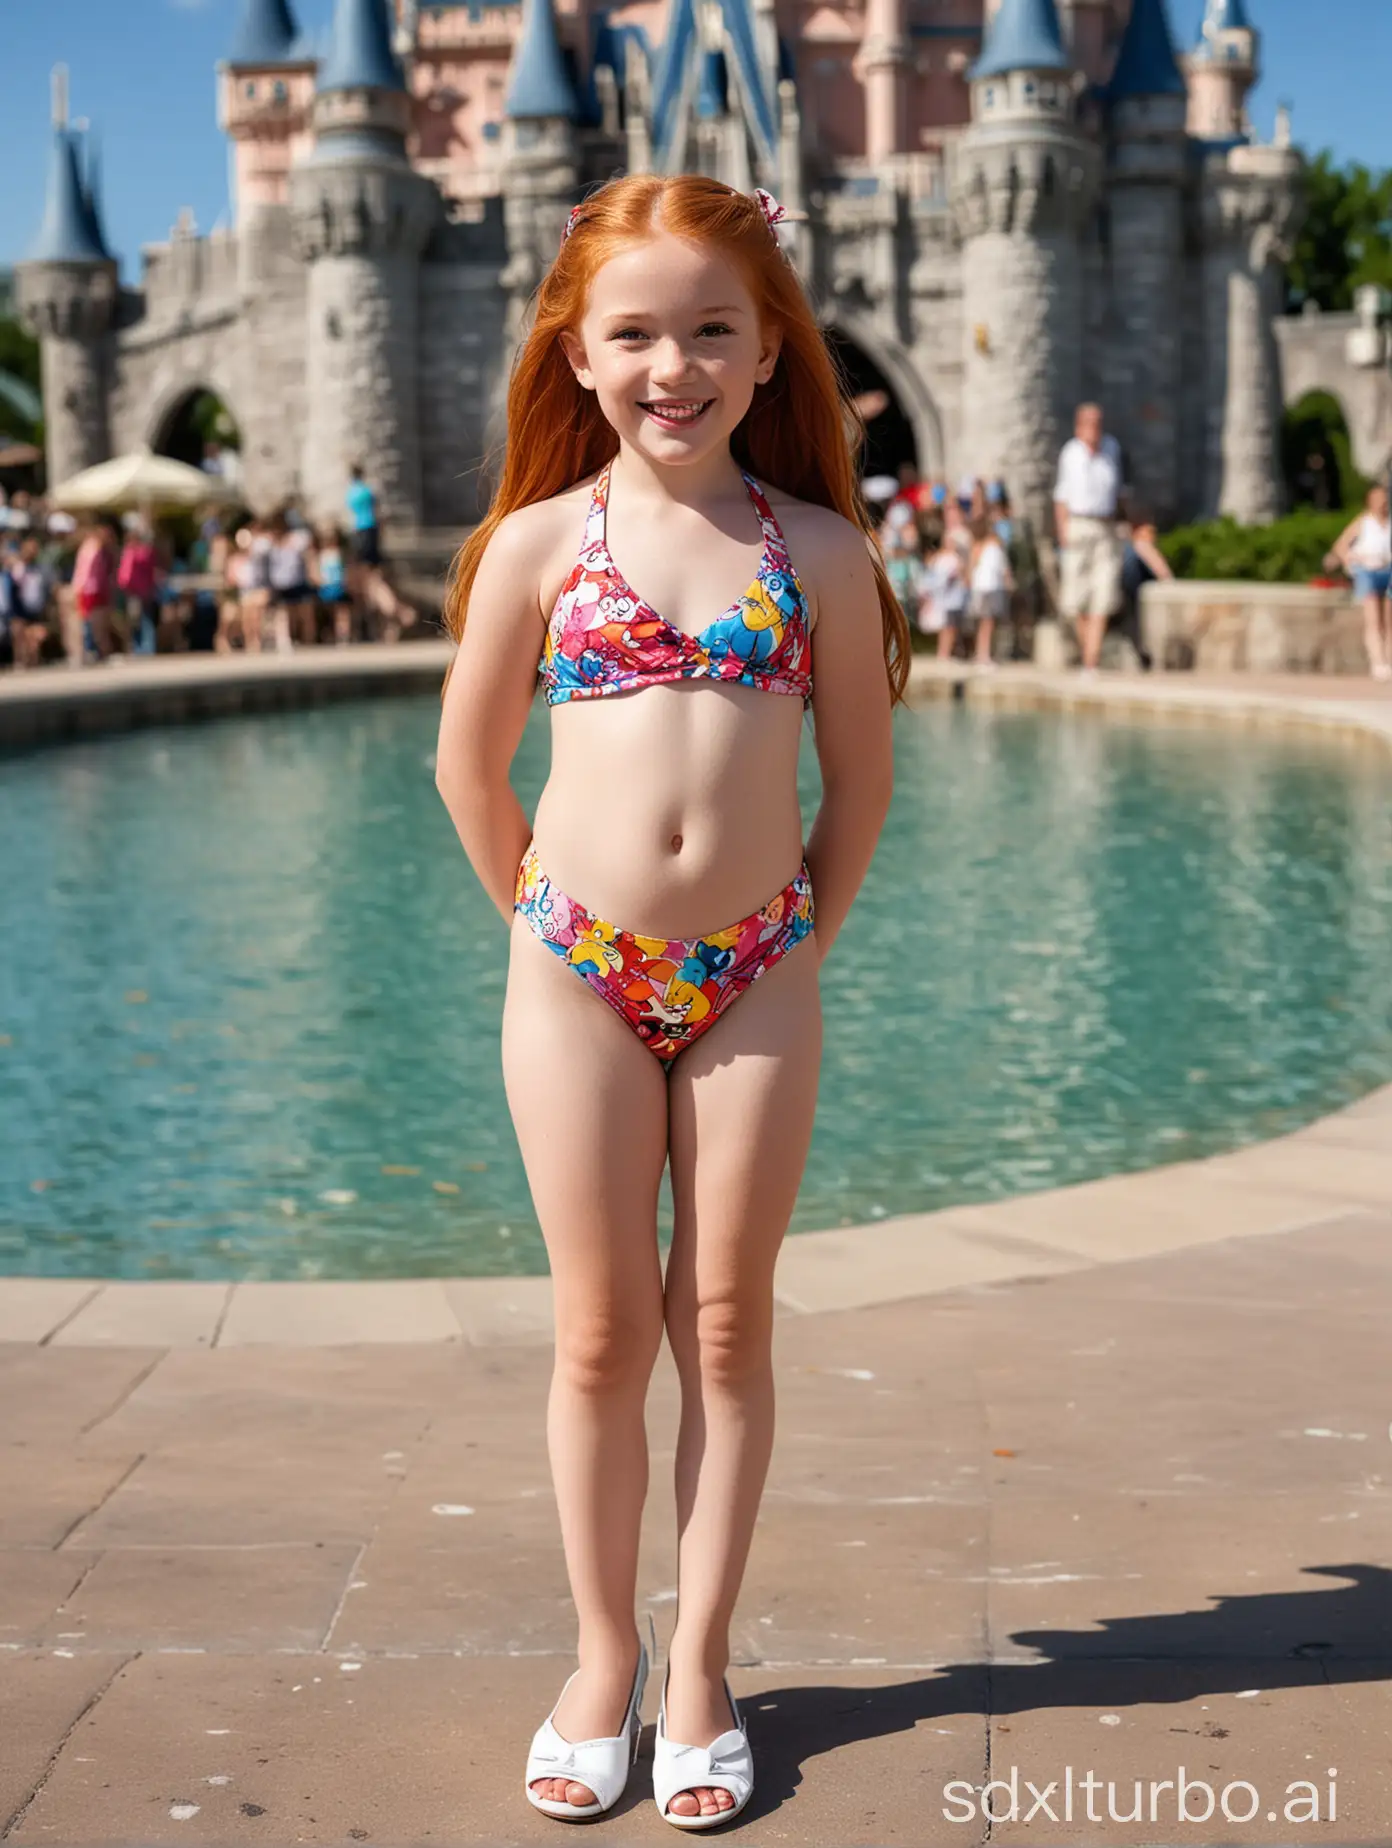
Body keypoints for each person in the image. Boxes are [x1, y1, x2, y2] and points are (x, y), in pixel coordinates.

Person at [433, 174, 902, 1830]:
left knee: (721, 1321)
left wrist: (791, 944)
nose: (674, 364)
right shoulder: (536, 550)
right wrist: (548, 927)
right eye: (634, 331)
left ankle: (698, 1659)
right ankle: (598, 1652)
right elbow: (465, 764)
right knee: (596, 1327)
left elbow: (859, 782)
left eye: (715, 328)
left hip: (757, 964)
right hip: (573, 966)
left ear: (773, 352)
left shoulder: (825, 556)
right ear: (574, 351)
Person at [1053, 402, 1127, 674]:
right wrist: (1063, 531)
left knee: (1103, 595)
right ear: (1079, 425)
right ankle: (1089, 654)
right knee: (1074, 599)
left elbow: (1119, 492)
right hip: (1078, 525)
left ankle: (1091, 660)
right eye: (1089, 422)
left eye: (1098, 422)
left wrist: (1125, 523)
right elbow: (1060, 496)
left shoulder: (1112, 449)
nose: (1095, 428)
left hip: (1105, 528)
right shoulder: (1070, 453)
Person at [1325, 484, 1392, 681]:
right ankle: (1377, 662)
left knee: (1389, 620)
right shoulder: (1363, 522)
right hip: (1368, 572)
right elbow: (1341, 546)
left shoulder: (1389, 523)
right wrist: (1350, 562)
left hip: (1387, 570)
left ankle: (1388, 659)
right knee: (1373, 619)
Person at [1119, 514, 1173, 670]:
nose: (1153, 536)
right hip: (1132, 606)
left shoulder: (1120, 548)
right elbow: (1166, 576)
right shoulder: (1140, 546)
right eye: (1149, 531)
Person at [966, 512, 1012, 668]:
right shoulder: (985, 545)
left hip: (984, 587)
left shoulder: (982, 545)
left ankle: (982, 654)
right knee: (987, 623)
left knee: (986, 623)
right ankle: (982, 656)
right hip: (988, 587)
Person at [71, 519, 119, 662]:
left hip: (98, 589)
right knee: (91, 622)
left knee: (99, 623)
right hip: (90, 590)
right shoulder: (92, 548)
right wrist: (78, 587)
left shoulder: (103, 550)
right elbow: (84, 571)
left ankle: (97, 650)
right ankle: (92, 650)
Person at [118, 516, 162, 655]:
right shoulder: (148, 552)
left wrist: (124, 586)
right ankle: (148, 647)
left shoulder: (131, 552)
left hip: (134, 591)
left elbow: (126, 574)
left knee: (136, 621)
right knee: (146, 620)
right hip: (147, 590)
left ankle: (141, 649)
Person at [345, 463, 381, 570]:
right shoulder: (367, 490)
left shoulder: (351, 492)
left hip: (358, 525)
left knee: (361, 556)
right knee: (372, 558)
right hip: (370, 523)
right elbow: (374, 506)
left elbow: (351, 507)